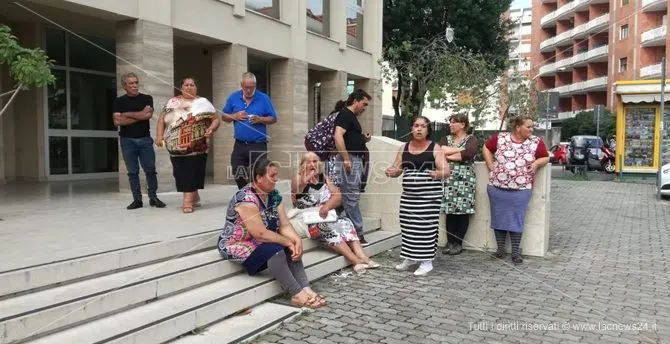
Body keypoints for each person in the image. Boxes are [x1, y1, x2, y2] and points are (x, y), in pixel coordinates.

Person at [217, 159, 327, 309]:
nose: (276, 179)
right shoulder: (246, 198)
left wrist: (296, 240)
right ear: (258, 178)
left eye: (276, 175)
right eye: (272, 176)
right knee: (277, 252)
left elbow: (284, 225)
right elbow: (260, 233)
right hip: (238, 243)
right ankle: (296, 294)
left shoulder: (274, 195)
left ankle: (306, 289)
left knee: (290, 246)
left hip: (260, 241)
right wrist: (286, 242)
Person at [291, 152, 380, 274]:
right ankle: (355, 260)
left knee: (346, 222)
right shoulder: (298, 178)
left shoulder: (324, 177)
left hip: (323, 215)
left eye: (315, 161)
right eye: (309, 162)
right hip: (305, 219)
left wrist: (327, 206)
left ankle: (364, 257)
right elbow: (297, 188)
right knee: (325, 227)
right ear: (303, 165)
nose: (312, 164)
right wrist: (307, 178)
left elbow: (338, 196)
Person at [385, 116, 450, 276]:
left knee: (425, 229)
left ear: (428, 130)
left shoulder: (435, 148)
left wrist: (436, 174)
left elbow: (446, 171)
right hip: (408, 198)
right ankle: (410, 257)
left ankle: (426, 262)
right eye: (416, 125)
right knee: (408, 227)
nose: (419, 129)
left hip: (429, 198)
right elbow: (397, 169)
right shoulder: (403, 148)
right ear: (411, 129)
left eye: (423, 126)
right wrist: (392, 172)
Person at [483, 115, 550, 265]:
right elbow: (486, 148)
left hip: (521, 189)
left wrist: (537, 163)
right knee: (498, 218)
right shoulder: (501, 138)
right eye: (528, 126)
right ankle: (500, 250)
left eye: (532, 127)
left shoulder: (536, 141)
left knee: (516, 219)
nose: (531, 129)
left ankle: (515, 252)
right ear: (518, 127)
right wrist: (490, 164)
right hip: (497, 187)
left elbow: (546, 157)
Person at [156, 77, 220, 213]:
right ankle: (194, 197)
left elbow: (215, 120)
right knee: (181, 173)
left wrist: (212, 128)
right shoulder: (172, 102)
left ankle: (187, 202)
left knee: (192, 172)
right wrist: (159, 136)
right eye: (186, 85)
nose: (189, 87)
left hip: (198, 145)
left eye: (192, 85)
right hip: (175, 146)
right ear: (181, 87)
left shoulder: (203, 102)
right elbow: (161, 120)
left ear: (196, 88)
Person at [112, 72, 166, 210]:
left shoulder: (147, 98)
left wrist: (127, 114)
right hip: (127, 141)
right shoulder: (119, 101)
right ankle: (137, 200)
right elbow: (117, 121)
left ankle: (153, 197)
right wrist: (139, 115)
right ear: (124, 86)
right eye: (131, 83)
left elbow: (147, 115)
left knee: (150, 170)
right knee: (132, 172)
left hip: (145, 140)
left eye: (136, 82)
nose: (135, 85)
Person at [221, 72, 277, 189]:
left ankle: (258, 198)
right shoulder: (233, 97)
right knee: (237, 171)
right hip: (240, 144)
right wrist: (235, 116)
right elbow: (224, 116)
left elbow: (273, 118)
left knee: (259, 174)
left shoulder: (263, 98)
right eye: (246, 87)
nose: (249, 90)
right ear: (241, 85)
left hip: (258, 144)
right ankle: (246, 194)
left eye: (252, 87)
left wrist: (260, 119)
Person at [331, 89, 372, 245]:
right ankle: (357, 233)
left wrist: (363, 140)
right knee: (351, 197)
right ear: (355, 101)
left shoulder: (351, 117)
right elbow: (338, 135)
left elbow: (349, 139)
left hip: (355, 159)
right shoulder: (345, 114)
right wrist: (346, 158)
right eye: (364, 104)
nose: (364, 108)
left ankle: (347, 228)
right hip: (349, 160)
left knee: (350, 196)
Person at [441, 113, 479, 255]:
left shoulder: (471, 139)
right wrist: (459, 151)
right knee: (449, 212)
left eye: (454, 122)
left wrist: (449, 155)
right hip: (448, 179)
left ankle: (459, 243)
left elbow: (469, 153)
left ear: (463, 124)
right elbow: (439, 150)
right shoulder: (446, 139)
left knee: (462, 213)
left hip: (465, 180)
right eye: (450, 122)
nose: (450, 124)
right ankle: (450, 242)